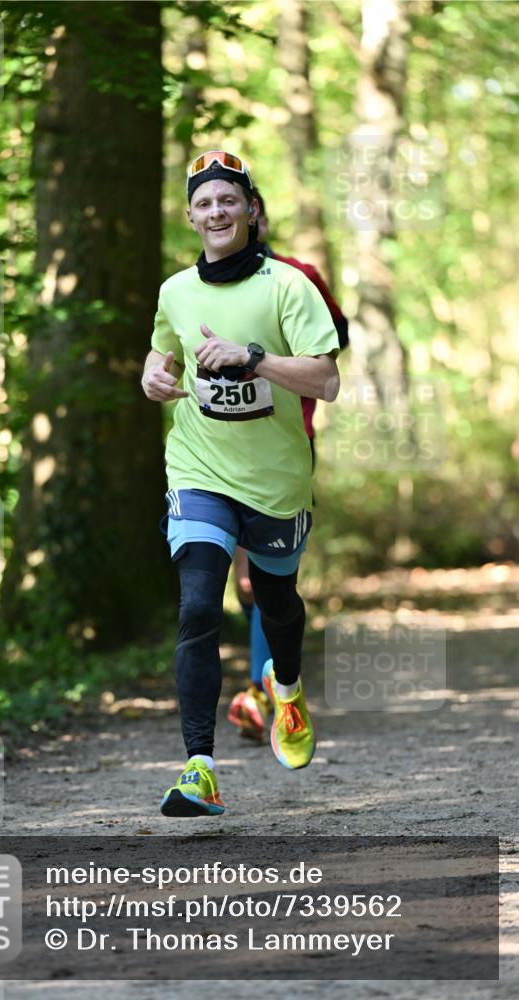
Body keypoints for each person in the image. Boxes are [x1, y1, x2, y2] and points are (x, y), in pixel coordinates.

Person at [142, 150, 340, 816]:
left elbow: (326, 380)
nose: (216, 212)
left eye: (228, 200)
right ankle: (198, 767)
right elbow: (161, 348)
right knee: (199, 606)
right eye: (204, 203)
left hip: (275, 479)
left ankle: (285, 688)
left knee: (275, 602)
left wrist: (251, 357)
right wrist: (153, 375)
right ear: (191, 216)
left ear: (250, 210)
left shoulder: (288, 285)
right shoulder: (175, 290)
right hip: (199, 469)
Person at [228, 187, 349, 743]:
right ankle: (264, 683)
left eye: (242, 206)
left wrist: (266, 353)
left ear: (259, 216)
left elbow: (335, 341)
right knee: (242, 578)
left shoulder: (299, 275)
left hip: (285, 439)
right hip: (219, 447)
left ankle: (264, 689)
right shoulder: (198, 283)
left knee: (264, 575)